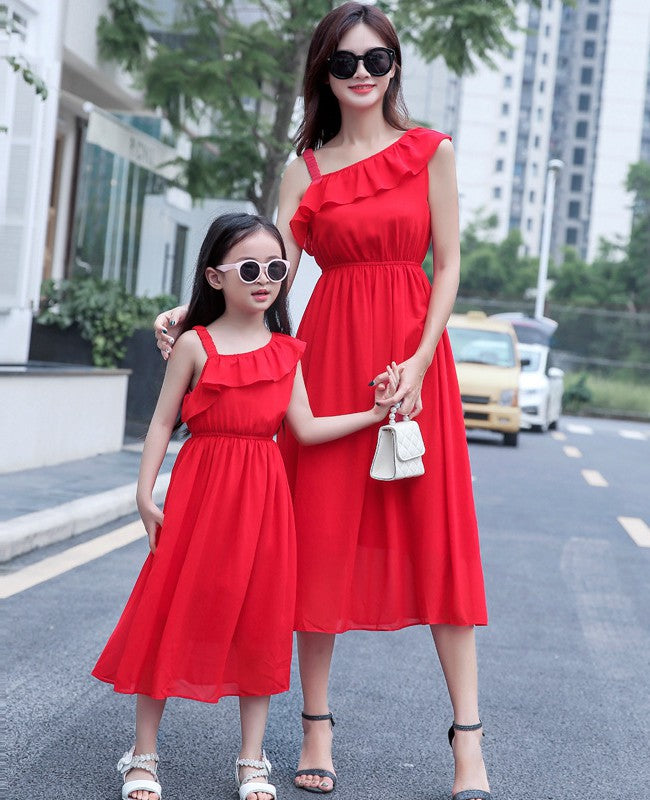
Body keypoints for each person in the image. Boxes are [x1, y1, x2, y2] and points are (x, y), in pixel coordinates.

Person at [155, 4, 492, 799]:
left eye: (378, 61)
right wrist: (191, 314)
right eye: (346, 63)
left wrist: (416, 359)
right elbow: (262, 273)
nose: (364, 76)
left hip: (414, 363)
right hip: (331, 358)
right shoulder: (305, 169)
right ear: (324, 74)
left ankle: (469, 741)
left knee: (439, 540)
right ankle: (315, 727)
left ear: (396, 67)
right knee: (318, 538)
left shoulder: (431, 152)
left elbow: (446, 267)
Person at [94, 212, 397, 800]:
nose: (266, 280)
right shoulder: (193, 344)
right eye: (251, 268)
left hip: (263, 498)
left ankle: (252, 761)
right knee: (170, 607)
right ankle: (143, 755)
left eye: (277, 269)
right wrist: (143, 492)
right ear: (214, 277)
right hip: (199, 491)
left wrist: (377, 412)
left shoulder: (288, 350)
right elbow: (161, 422)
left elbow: (304, 429)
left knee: (259, 620)